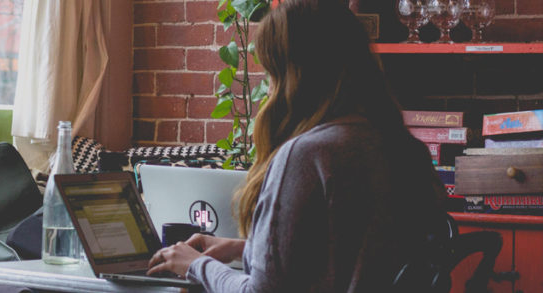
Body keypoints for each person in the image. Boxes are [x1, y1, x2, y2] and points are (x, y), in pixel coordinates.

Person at [145, 0, 449, 292]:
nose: (269, 87)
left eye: (270, 73)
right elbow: (352, 259)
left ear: (294, 76)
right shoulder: (405, 148)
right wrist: (244, 250)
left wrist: (196, 265)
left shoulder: (309, 155)